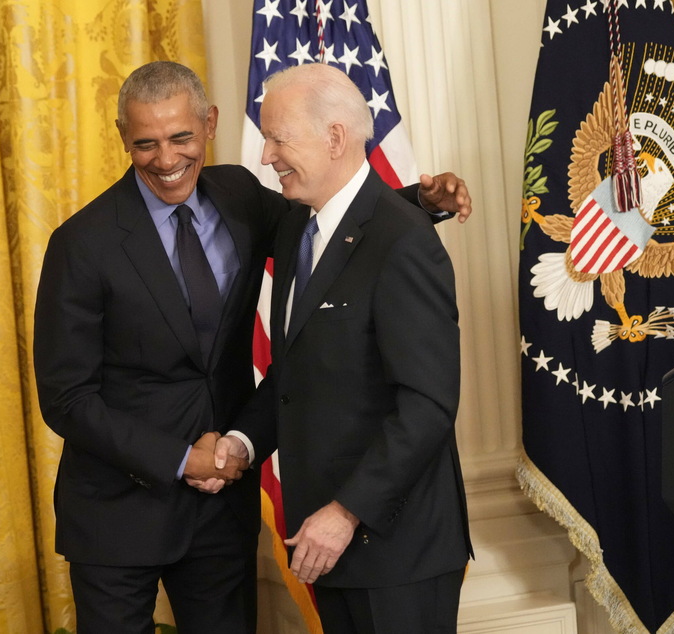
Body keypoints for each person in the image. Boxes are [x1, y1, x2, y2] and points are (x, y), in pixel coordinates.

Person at [33, 60, 471, 634]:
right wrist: (175, 458)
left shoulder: (240, 196)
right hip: (120, 513)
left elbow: (342, 219)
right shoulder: (81, 244)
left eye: (181, 137)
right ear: (124, 138)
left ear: (210, 124)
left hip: (222, 512)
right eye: (146, 143)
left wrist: (420, 202)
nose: (166, 160)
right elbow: (66, 397)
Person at [217, 62, 473, 634]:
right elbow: (296, 376)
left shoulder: (404, 242)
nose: (266, 156)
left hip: (396, 550)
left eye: (279, 138)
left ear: (334, 137)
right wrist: (240, 442)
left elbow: (427, 405)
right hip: (329, 546)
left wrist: (345, 511)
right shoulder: (296, 230)